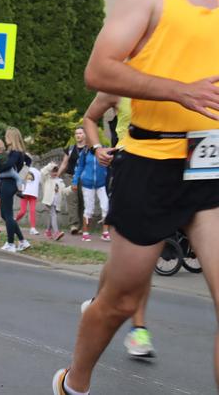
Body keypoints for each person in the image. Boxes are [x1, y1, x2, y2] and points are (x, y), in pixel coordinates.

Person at [53, 0, 219, 394]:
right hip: (149, 162)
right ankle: (75, 381)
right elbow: (98, 71)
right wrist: (179, 91)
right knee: (121, 301)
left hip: (210, 161)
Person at [80, 92, 156, 359]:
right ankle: (139, 330)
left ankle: (96, 302)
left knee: (129, 258)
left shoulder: (173, 77)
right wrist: (97, 148)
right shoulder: (119, 85)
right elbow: (89, 118)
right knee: (140, 254)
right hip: (128, 167)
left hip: (167, 173)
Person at [0, 127, 32, 253]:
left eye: (7, 136)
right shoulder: (17, 152)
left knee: (7, 215)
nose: (5, 138)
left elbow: (8, 165)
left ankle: (11, 243)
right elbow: (29, 161)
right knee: (5, 214)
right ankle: (23, 241)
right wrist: (21, 176)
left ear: (11, 137)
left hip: (9, 184)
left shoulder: (15, 153)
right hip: (9, 183)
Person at [71, 144, 110, 242]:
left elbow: (108, 164)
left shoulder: (103, 149)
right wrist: (75, 181)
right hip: (87, 184)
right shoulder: (84, 152)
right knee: (89, 209)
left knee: (106, 207)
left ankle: (105, 233)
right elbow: (79, 167)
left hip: (101, 184)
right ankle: (85, 233)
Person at [57, 127, 87, 234]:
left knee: (83, 202)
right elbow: (65, 163)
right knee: (72, 200)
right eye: (76, 133)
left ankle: (83, 227)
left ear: (85, 135)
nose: (78, 135)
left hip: (84, 178)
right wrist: (57, 175)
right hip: (70, 177)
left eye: (80, 133)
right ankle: (74, 225)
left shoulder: (89, 148)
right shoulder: (70, 148)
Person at [40, 162, 69, 241]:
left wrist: (70, 189)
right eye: (53, 171)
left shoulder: (60, 181)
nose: (54, 173)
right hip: (49, 200)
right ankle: (56, 233)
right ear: (50, 172)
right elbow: (42, 172)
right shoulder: (46, 179)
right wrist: (51, 166)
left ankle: (48, 231)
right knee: (53, 215)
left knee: (51, 215)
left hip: (56, 202)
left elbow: (63, 191)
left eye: (56, 171)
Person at [16, 164, 41, 235]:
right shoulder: (23, 169)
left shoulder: (37, 171)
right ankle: (14, 221)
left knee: (32, 211)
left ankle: (33, 228)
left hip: (33, 194)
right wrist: (20, 190)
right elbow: (19, 180)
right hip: (24, 193)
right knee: (22, 211)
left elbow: (41, 180)